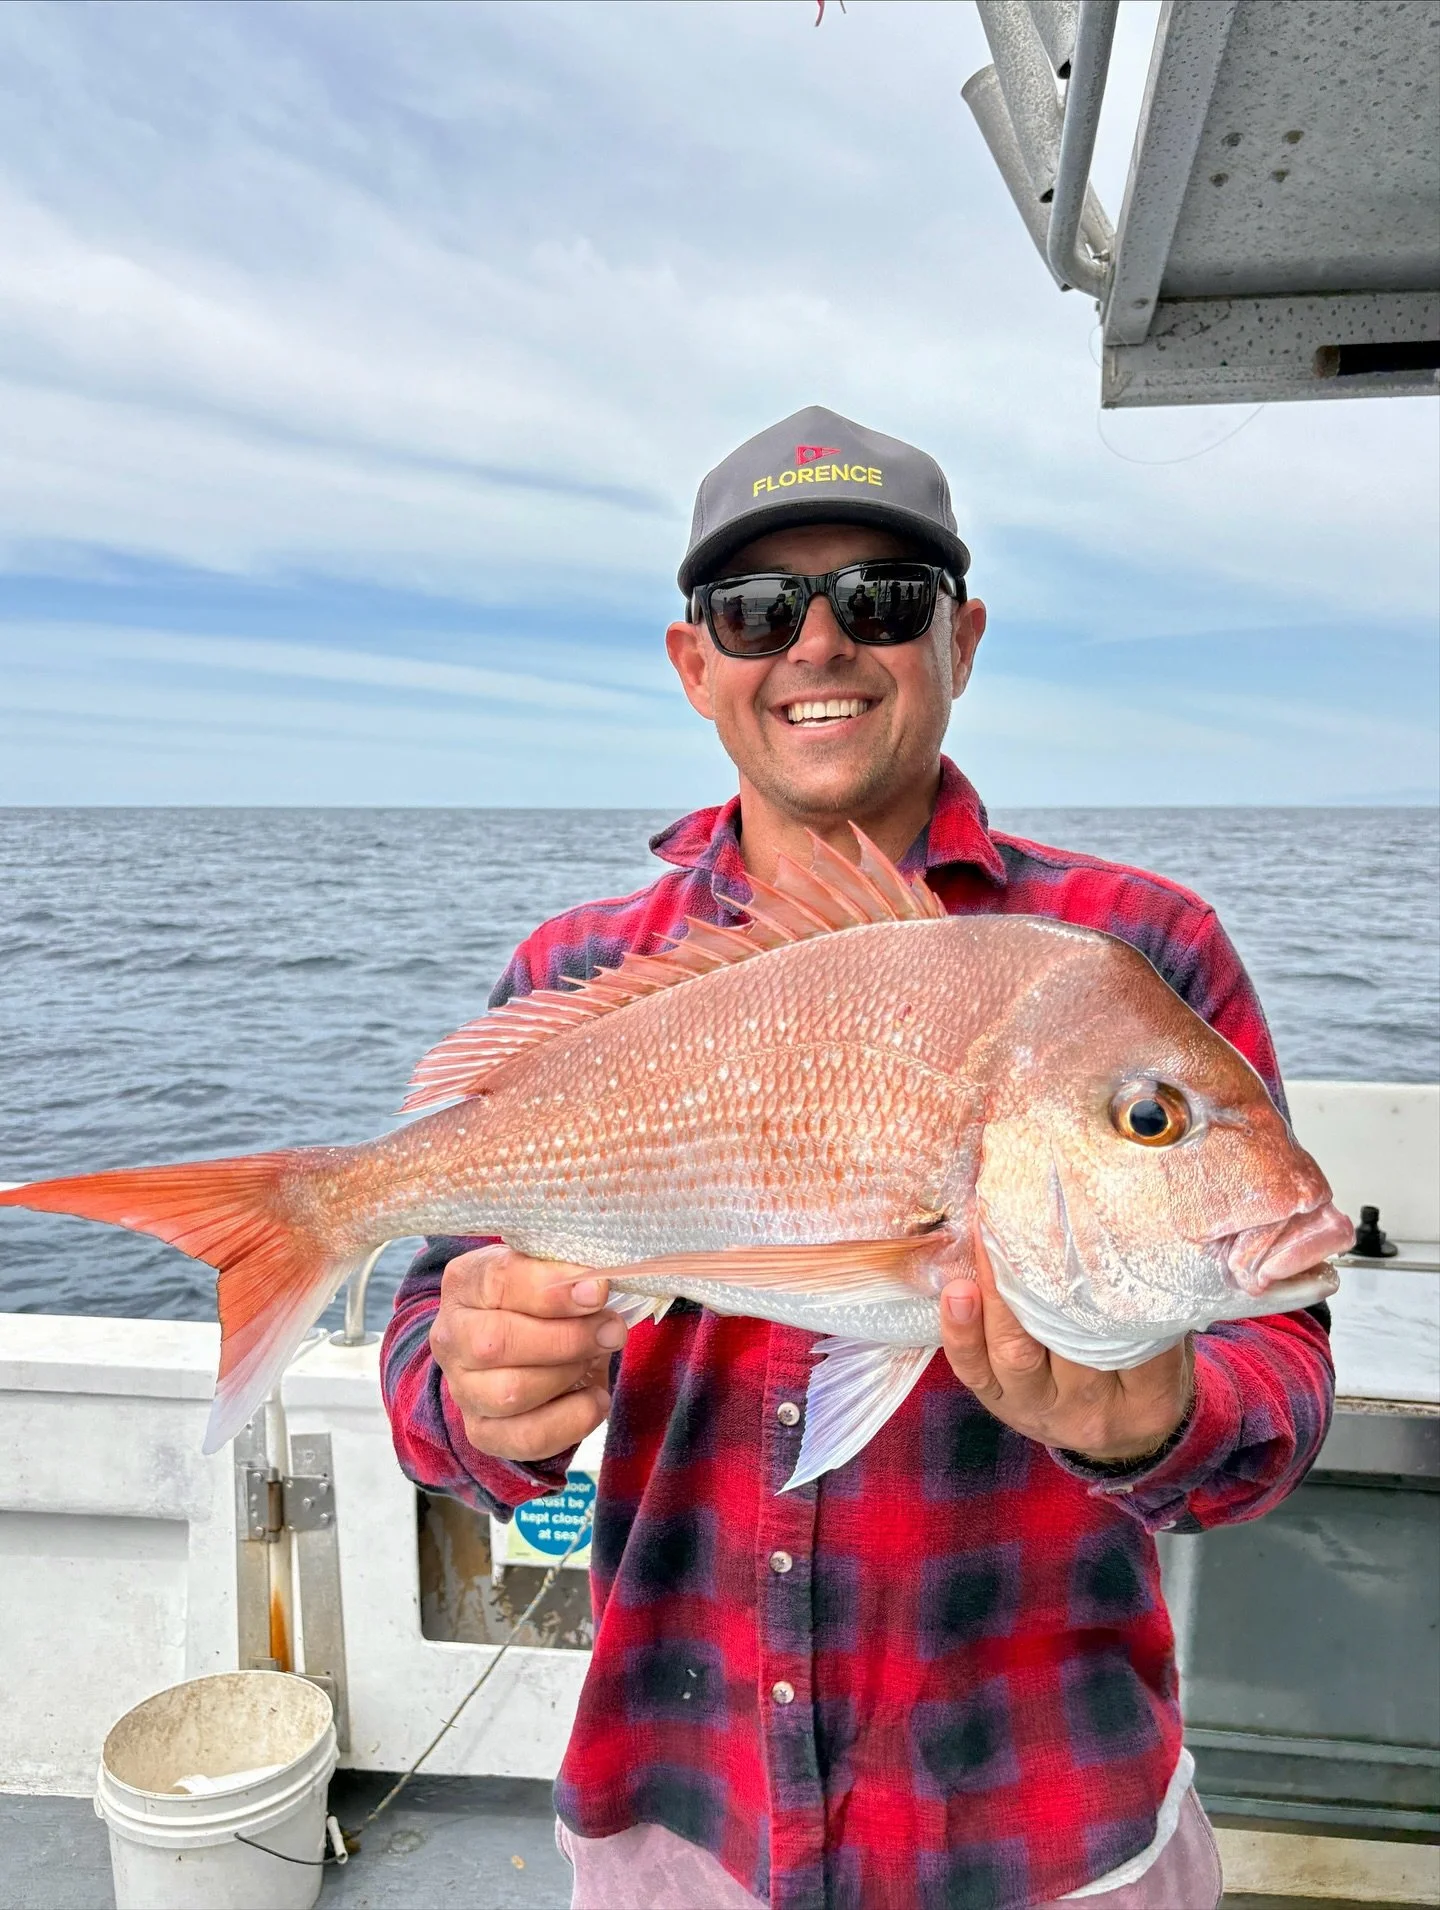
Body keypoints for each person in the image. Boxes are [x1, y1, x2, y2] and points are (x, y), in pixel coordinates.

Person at [381, 406, 1334, 1910]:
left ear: (961, 637)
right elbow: (431, 1375)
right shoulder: (580, 975)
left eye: (881, 598)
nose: (817, 642)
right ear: (696, 664)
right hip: (687, 1813)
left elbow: (1283, 1376)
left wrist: (1156, 1415)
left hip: (1047, 1821)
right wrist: (479, 1399)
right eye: (757, 610)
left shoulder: (1137, 952)